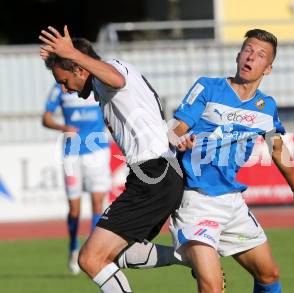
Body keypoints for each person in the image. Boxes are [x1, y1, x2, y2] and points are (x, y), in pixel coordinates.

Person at [118, 28, 294, 293]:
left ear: (268, 68)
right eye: (248, 50)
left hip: (232, 202)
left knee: (269, 274)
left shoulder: (266, 107)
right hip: (195, 201)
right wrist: (177, 139)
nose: (251, 56)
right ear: (238, 55)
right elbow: (176, 128)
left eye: (260, 54)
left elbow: (277, 149)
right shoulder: (208, 87)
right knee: (212, 287)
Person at [39, 26, 184, 292]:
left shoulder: (111, 72)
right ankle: (190, 258)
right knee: (118, 254)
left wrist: (72, 53)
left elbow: (117, 79)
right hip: (152, 176)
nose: (65, 88)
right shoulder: (102, 83)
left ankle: (192, 258)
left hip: (154, 174)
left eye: (64, 80)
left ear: (81, 69)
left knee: (90, 258)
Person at [42, 82, 111, 275]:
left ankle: (92, 250)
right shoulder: (60, 88)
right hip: (72, 152)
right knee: (74, 209)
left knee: (98, 203)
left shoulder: (95, 85)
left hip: (97, 152)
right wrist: (62, 126)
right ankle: (73, 245)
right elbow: (45, 118)